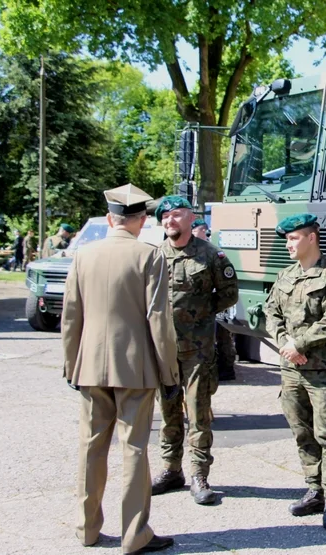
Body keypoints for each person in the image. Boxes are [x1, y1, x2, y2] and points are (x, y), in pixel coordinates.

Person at [61, 184, 180, 555]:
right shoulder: (150, 256)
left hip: (90, 366)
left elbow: (70, 317)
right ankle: (134, 534)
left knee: (91, 448)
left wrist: (70, 365)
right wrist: (170, 372)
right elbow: (158, 318)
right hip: (135, 367)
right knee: (134, 449)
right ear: (142, 219)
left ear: (111, 218)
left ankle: (87, 529)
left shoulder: (84, 255)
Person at [262, 213, 326, 529]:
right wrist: (285, 343)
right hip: (292, 371)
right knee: (301, 433)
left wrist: (299, 345)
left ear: (311, 238)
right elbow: (271, 312)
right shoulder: (285, 275)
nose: (288, 244)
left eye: (293, 238)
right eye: (287, 239)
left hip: (323, 373)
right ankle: (314, 490)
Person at [150, 195, 239, 505]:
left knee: (198, 411)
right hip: (164, 348)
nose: (170, 221)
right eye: (165, 217)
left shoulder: (211, 256)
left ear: (190, 218)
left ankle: (199, 475)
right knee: (167, 409)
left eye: (176, 216)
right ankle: (170, 469)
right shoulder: (154, 256)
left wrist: (201, 313)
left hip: (198, 350)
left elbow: (229, 294)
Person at [190, 217, 236, 380]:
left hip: (215, 301)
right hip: (209, 304)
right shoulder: (193, 250)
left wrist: (210, 306)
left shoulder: (213, 251)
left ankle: (226, 368)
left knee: (223, 335)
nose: (194, 234)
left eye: (198, 230)